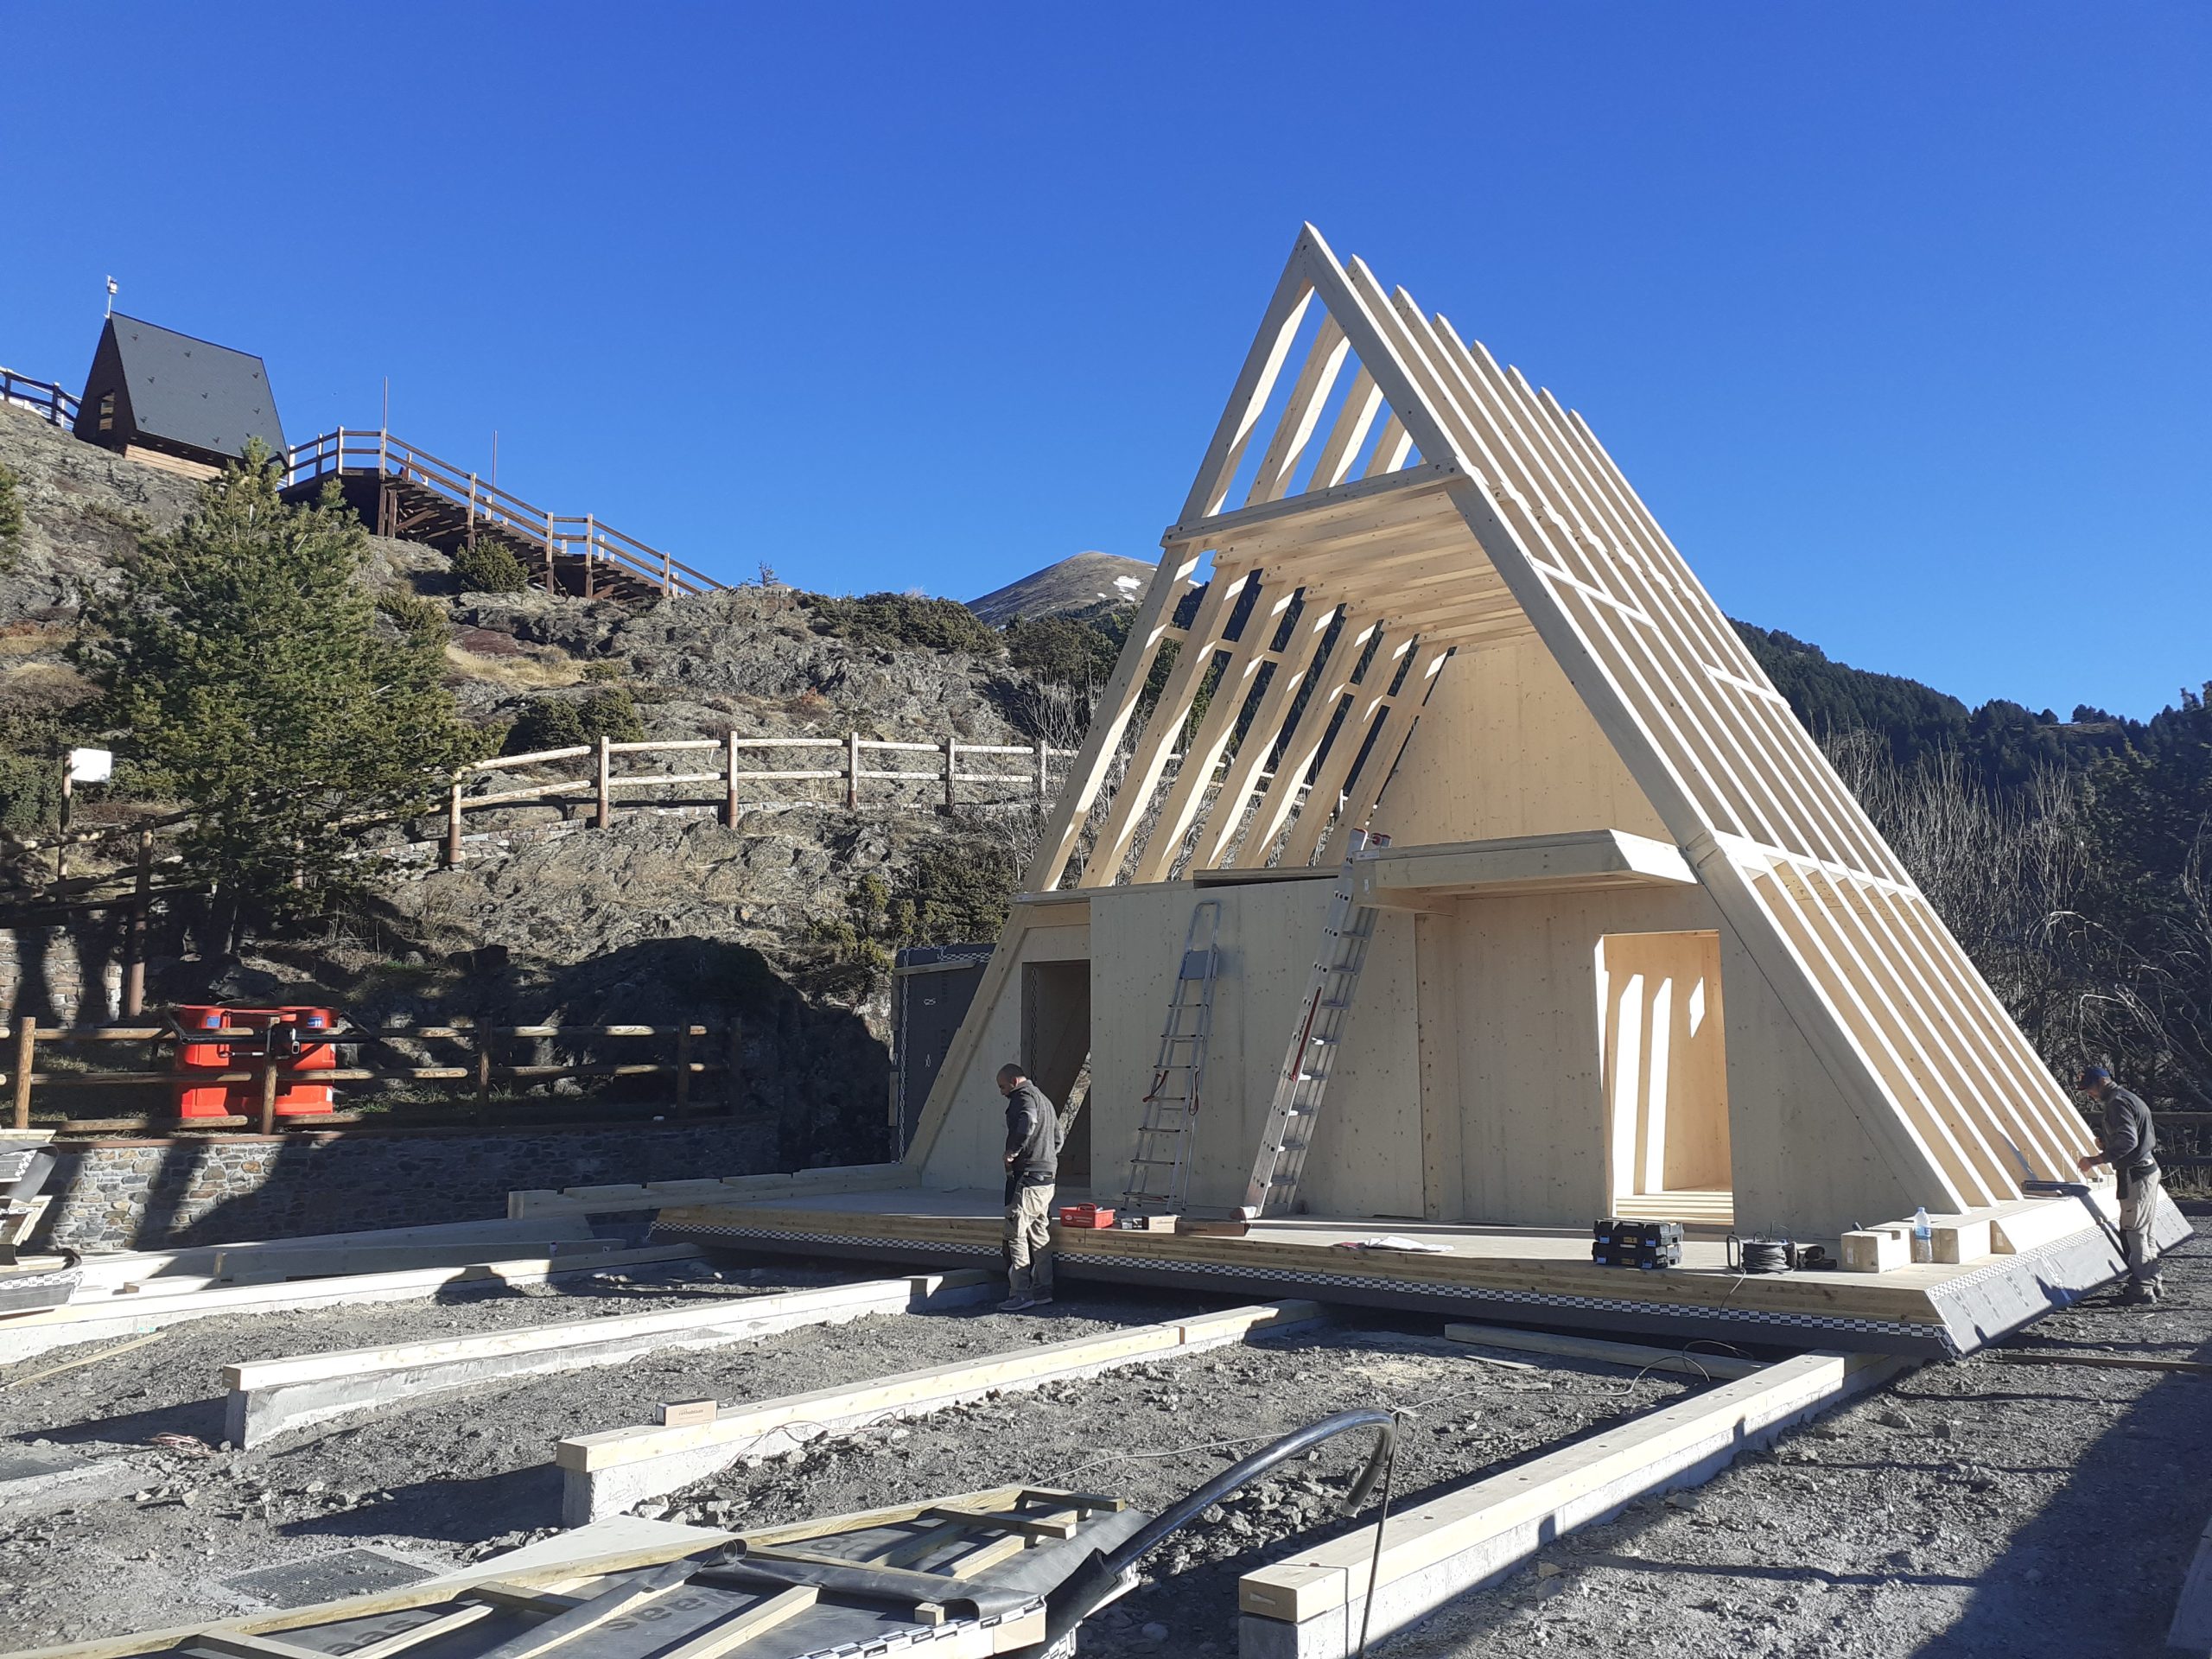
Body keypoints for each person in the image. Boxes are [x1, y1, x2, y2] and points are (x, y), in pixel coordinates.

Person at [2074, 1065, 2164, 1303]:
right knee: (2145, 1231)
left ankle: (2142, 1287)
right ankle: (2153, 1281)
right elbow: (2133, 1137)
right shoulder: (2127, 1098)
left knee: (2134, 1233)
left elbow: (2128, 1141)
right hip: (2145, 1170)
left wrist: (2096, 1160)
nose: (2088, 1094)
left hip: (2136, 1174)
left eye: (2089, 1089)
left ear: (2102, 1082)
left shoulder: (2117, 1103)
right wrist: (2108, 1143)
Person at [997, 1062, 1059, 1312]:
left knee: (1016, 1232)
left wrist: (1013, 1152)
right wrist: (1048, 1158)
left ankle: (1020, 1293)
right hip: (1047, 1176)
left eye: (1002, 1086)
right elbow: (1058, 1136)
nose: (1002, 1092)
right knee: (1040, 1232)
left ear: (1013, 1081)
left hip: (1029, 1177)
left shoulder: (1023, 1097)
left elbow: (1027, 1122)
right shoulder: (1045, 1100)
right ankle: (1044, 1289)